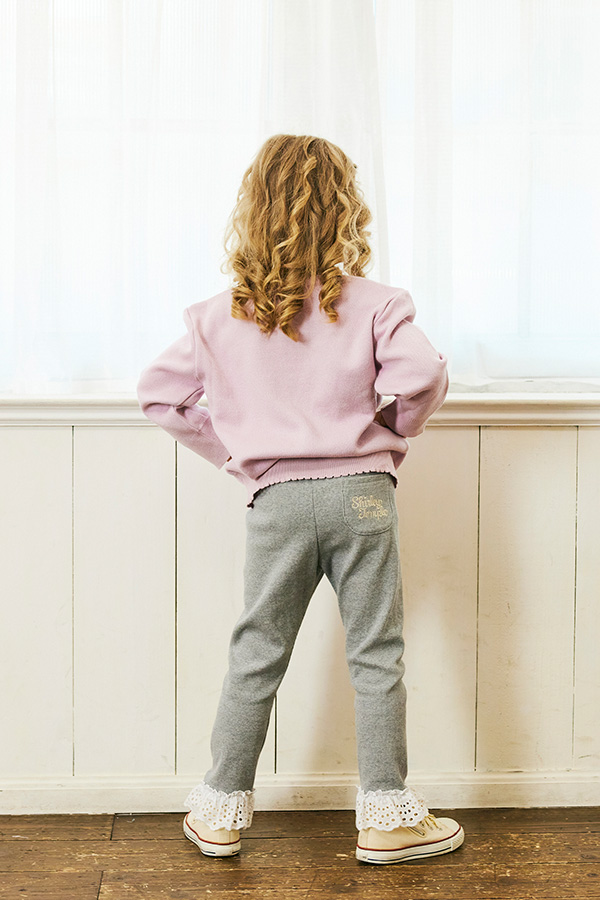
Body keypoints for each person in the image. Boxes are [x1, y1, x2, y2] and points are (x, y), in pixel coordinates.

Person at [136, 134, 464, 865]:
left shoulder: (217, 316)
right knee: (377, 654)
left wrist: (235, 455)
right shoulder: (377, 304)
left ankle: (219, 814)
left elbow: (159, 396)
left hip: (277, 500)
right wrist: (391, 430)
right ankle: (386, 818)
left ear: (253, 208)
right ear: (345, 209)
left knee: (257, 651)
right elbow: (422, 375)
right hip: (362, 497)